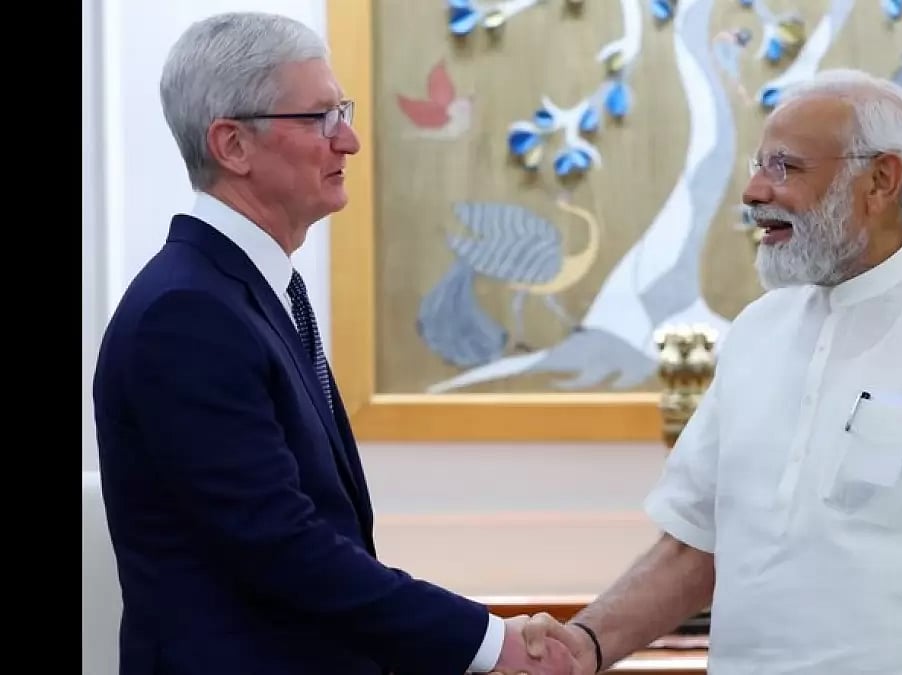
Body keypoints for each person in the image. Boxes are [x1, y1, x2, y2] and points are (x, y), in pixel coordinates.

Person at [514, 68, 902, 674]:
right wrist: (584, 646)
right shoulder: (755, 333)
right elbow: (694, 546)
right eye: (756, 166)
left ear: (880, 180)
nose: (752, 191)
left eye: (784, 167)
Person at [91, 12, 579, 675]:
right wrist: (491, 644)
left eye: (342, 111)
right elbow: (281, 546)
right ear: (232, 144)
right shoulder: (188, 313)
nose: (348, 140)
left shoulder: (248, 292)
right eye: (319, 118)